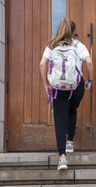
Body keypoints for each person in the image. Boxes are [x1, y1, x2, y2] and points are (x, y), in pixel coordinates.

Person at [39, 18, 93, 170]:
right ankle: (70, 141)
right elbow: (88, 62)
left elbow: (42, 64)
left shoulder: (52, 44)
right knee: (72, 109)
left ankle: (62, 158)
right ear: (74, 32)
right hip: (76, 86)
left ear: (59, 30)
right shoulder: (78, 45)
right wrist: (90, 80)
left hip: (58, 88)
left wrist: (46, 84)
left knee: (60, 117)